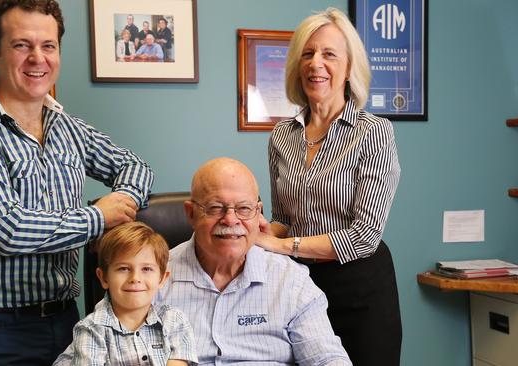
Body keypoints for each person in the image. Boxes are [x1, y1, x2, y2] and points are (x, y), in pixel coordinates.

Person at [0, 1, 153, 365]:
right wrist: (97, 218)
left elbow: (135, 166)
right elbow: (6, 229)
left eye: (48, 46)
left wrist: (123, 202)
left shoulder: (65, 126)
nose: (38, 58)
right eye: (22, 45)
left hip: (66, 322)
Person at [258, 7, 402, 366]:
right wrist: (257, 232)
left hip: (360, 291)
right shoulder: (282, 135)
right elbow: (284, 218)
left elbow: (365, 235)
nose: (315, 63)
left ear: (349, 67)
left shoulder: (374, 132)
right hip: (299, 289)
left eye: (328, 54)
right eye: (307, 54)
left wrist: (280, 245)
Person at [155, 157, 352, 366]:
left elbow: (327, 359)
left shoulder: (290, 280)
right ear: (191, 213)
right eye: (215, 207)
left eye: (244, 209)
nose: (231, 220)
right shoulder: (152, 279)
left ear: (258, 213)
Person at [53, 222, 198, 366]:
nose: (135, 278)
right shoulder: (91, 330)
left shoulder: (174, 321)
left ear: (162, 279)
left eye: (146, 269)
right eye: (123, 268)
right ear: (103, 278)